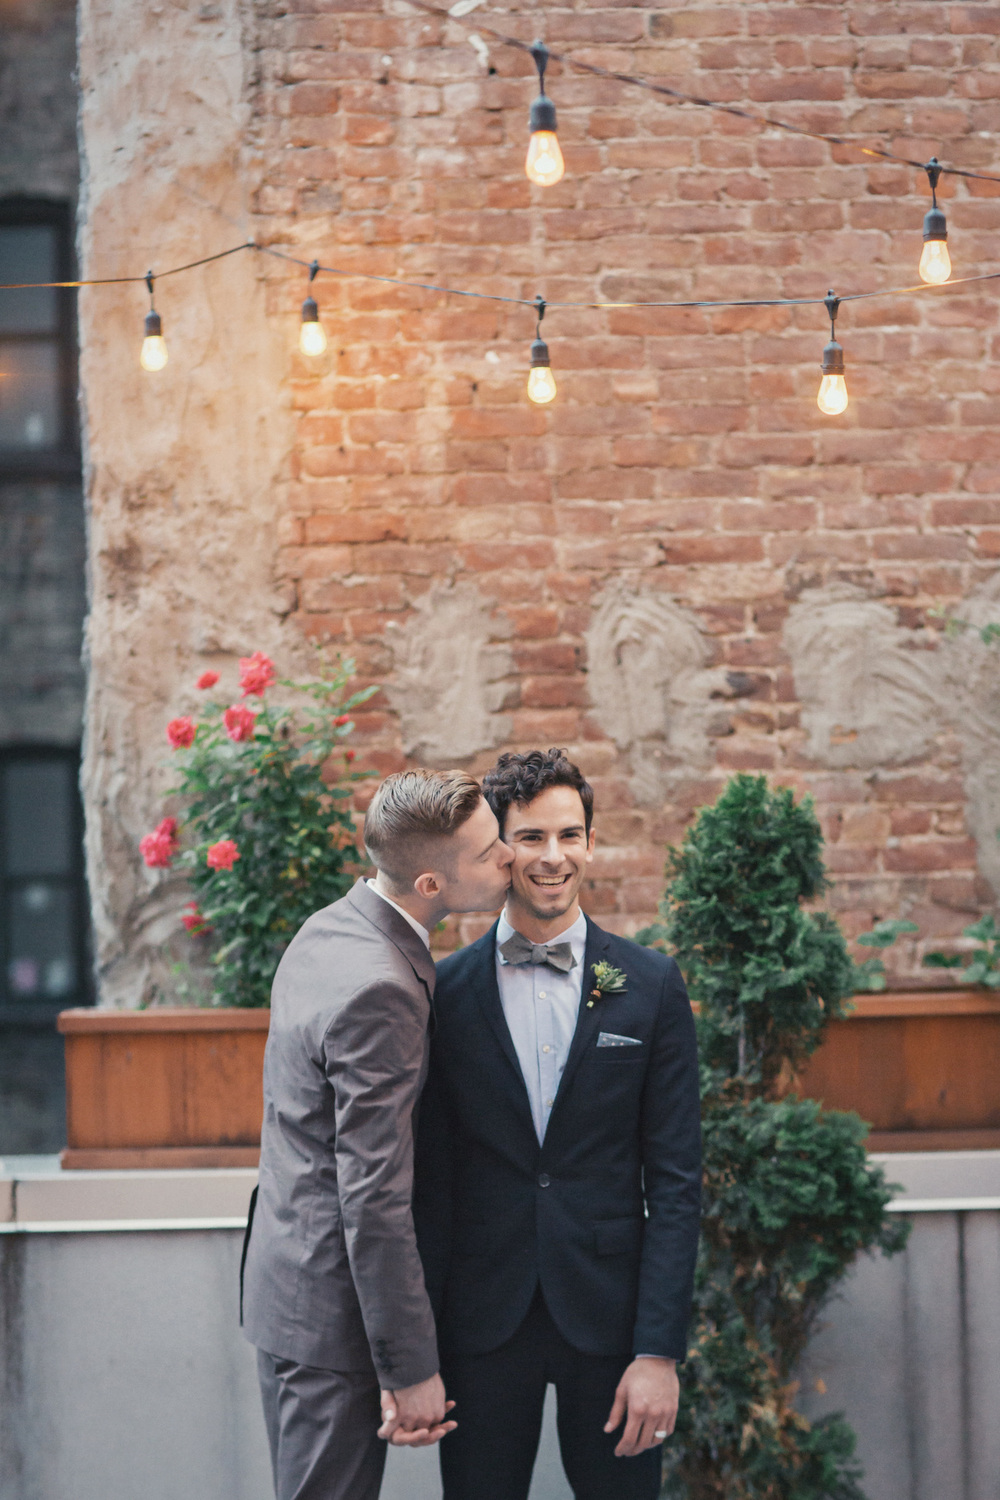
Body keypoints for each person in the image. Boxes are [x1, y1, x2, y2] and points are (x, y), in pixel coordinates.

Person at [413, 748, 702, 1500]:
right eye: (532, 837)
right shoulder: (441, 994)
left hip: (613, 1327)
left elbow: (675, 1184)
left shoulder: (651, 986)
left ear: (591, 844)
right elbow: (429, 1184)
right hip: (481, 1324)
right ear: (500, 849)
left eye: (569, 836)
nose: (553, 857)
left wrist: (658, 1353)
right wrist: (421, 1352)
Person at [241, 768, 513, 1500]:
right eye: (490, 852)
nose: (510, 858)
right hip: (333, 1318)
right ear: (431, 883)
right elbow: (373, 1197)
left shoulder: (329, 926)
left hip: (291, 1285)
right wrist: (409, 1368)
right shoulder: (381, 990)